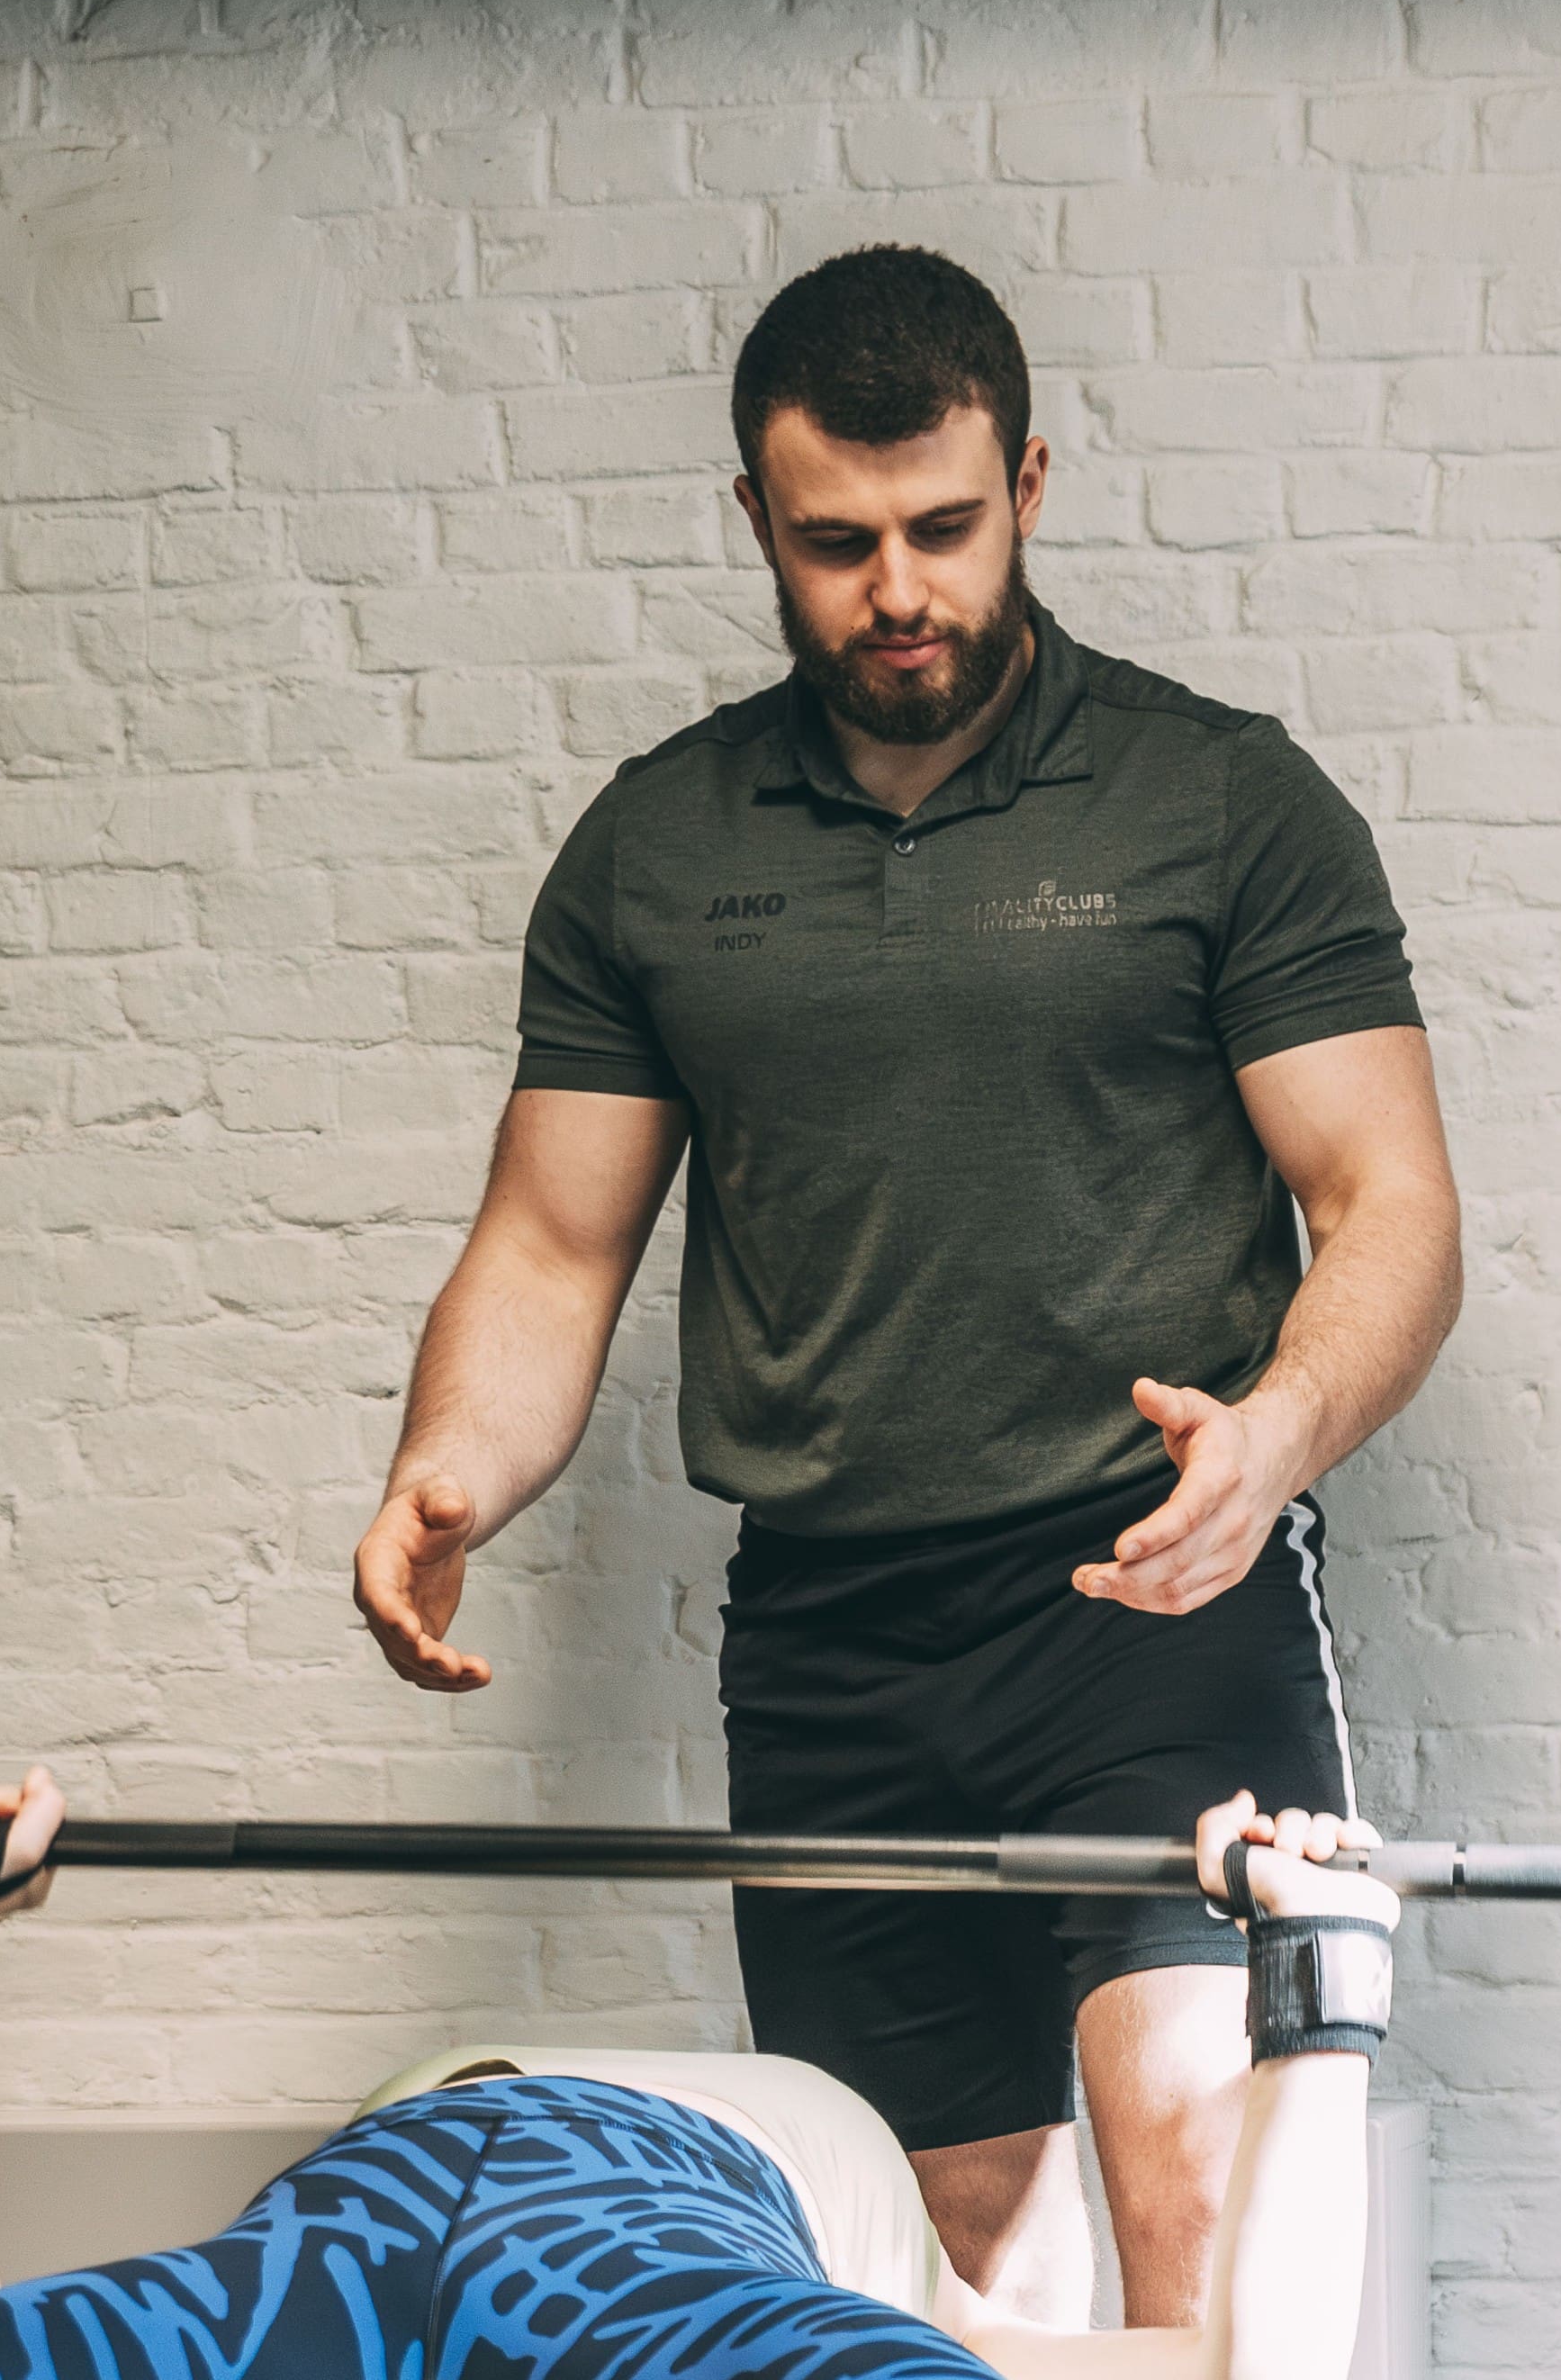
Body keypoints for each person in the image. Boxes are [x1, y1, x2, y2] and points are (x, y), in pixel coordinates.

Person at [351, 247, 1463, 2325]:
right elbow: (552, 1236)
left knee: (1198, 2198)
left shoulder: (1219, 802)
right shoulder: (657, 852)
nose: (901, 591)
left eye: (945, 529)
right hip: (836, 1636)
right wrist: (451, 1475)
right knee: (943, 2271)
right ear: (755, 523)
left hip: (1154, 1595)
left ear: (1027, 480)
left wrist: (1277, 1436)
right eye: (838, 542)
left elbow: (1387, 1196)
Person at [0, 1772, 1401, 2380]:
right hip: (552, 2225)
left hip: (387, 2227)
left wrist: (1322, 1986)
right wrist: (1315, 1981)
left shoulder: (924, 2327)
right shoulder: (935, 2328)